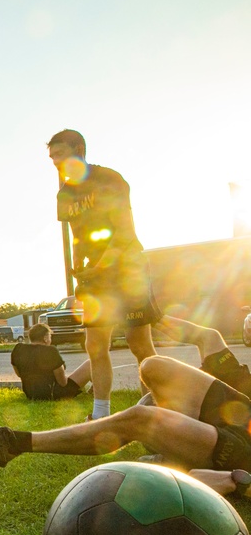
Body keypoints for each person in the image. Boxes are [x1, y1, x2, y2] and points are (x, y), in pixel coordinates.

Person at [0, 354, 251, 493]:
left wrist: (237, 481)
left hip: (244, 451)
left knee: (140, 420)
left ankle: (12, 443)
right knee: (154, 366)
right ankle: (171, 450)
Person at [48, 129, 159, 421]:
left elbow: (124, 232)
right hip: (95, 277)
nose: (55, 162)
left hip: (126, 269)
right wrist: (80, 269)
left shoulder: (110, 179)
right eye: (52, 158)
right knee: (95, 344)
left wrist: (101, 266)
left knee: (139, 343)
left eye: (59, 154)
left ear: (79, 149)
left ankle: (156, 406)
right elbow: (76, 236)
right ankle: (101, 414)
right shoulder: (64, 194)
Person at [152, 315, 251, 399]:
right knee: (204, 339)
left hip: (242, 395)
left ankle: (154, 318)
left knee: (210, 337)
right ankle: (154, 318)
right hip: (243, 389)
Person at [10, 323, 91, 401]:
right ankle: (99, 392)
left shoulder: (18, 349)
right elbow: (63, 383)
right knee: (90, 364)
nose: (50, 339)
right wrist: (61, 366)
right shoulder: (50, 351)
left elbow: (19, 374)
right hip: (53, 393)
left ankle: (93, 390)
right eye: (50, 336)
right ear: (45, 338)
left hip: (31, 394)